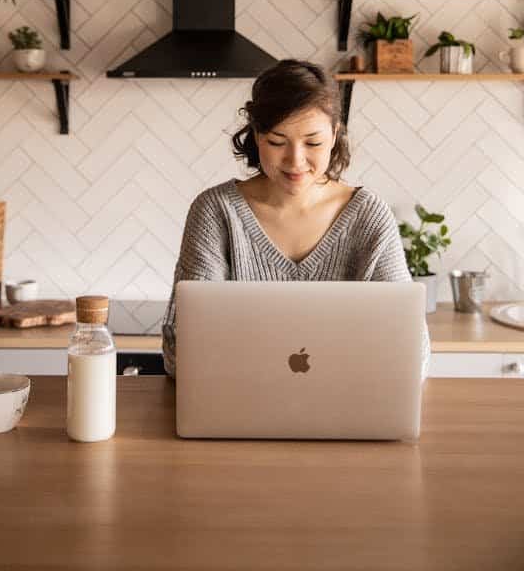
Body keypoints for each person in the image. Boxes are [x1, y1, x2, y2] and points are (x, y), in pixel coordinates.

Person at [162, 59, 430, 379]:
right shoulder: (216, 212)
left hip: (348, 413)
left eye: (313, 142)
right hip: (239, 415)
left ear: (334, 135)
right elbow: (181, 353)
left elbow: (413, 354)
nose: (295, 161)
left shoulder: (369, 216)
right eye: (277, 142)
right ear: (256, 136)